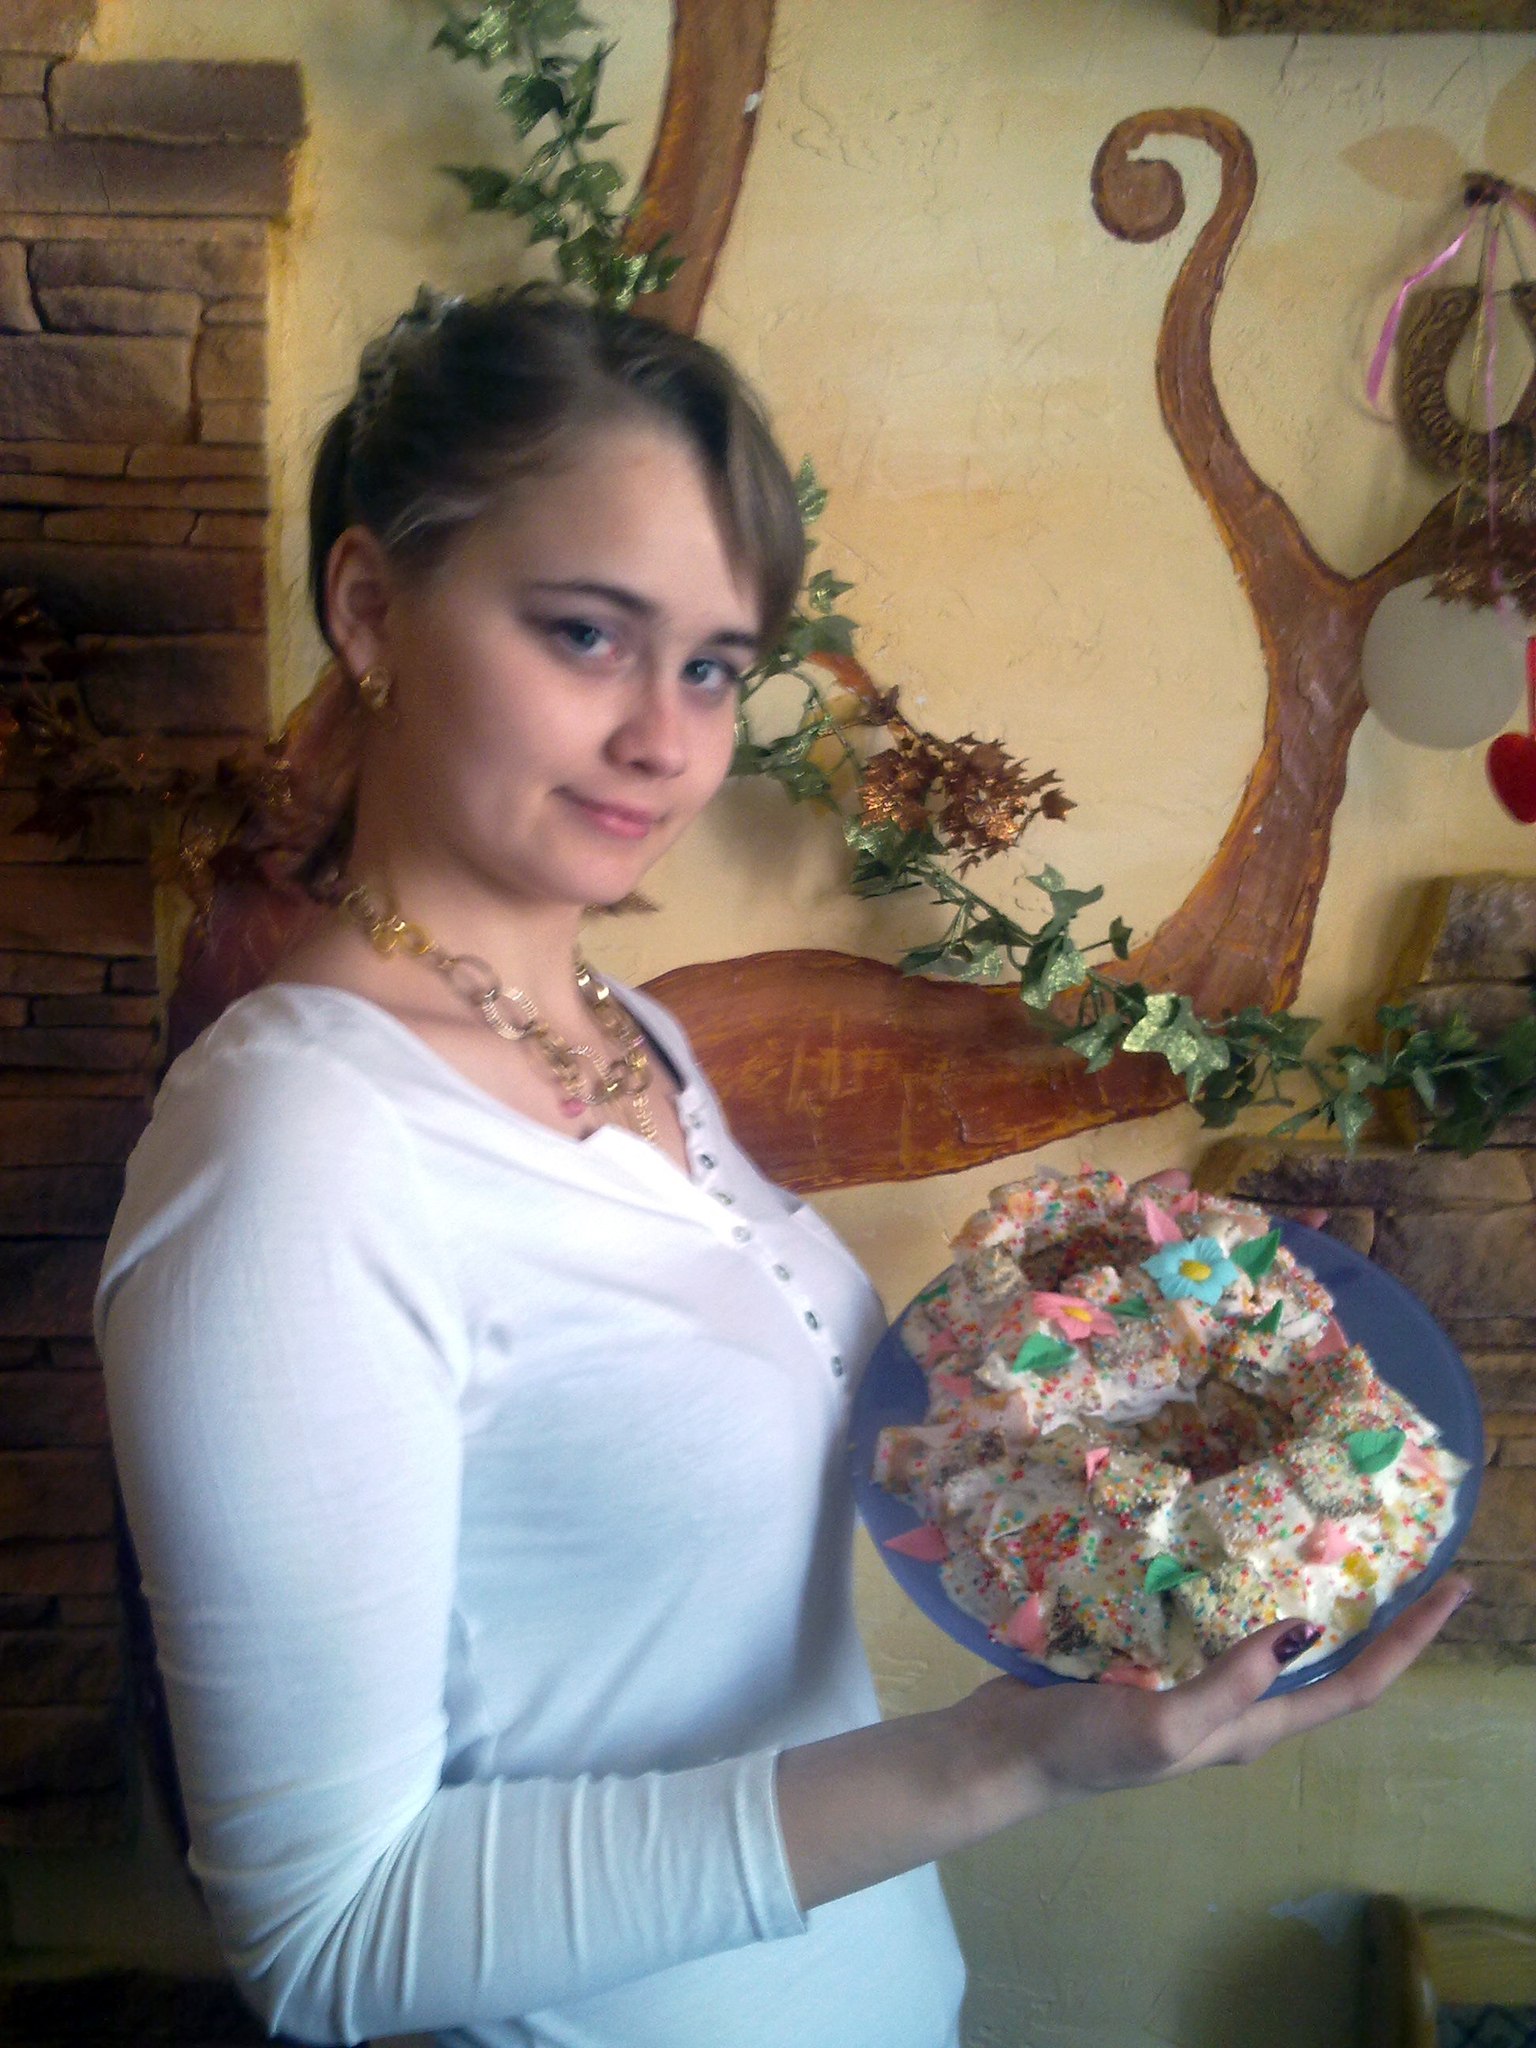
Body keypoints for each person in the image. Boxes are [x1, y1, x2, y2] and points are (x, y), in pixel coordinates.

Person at [96, 285, 1468, 2048]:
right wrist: (1011, 1759)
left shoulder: (632, 1035)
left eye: (713, 666)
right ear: (370, 607)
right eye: (585, 634)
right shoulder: (295, 1156)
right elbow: (331, 1937)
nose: (666, 741)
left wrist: (1155, 1406)